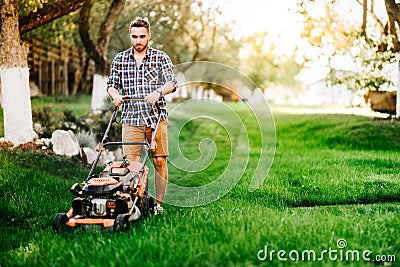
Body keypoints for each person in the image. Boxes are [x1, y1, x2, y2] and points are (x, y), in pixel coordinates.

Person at [106, 17, 177, 215]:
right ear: (130, 36)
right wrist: (115, 95)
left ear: (149, 36)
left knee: (159, 161)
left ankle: (158, 205)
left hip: (156, 117)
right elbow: (111, 84)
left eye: (142, 37)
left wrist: (158, 93)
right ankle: (138, 204)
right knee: (133, 165)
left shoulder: (160, 57)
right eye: (134, 37)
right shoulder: (120, 59)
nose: (138, 41)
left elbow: (172, 82)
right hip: (130, 118)